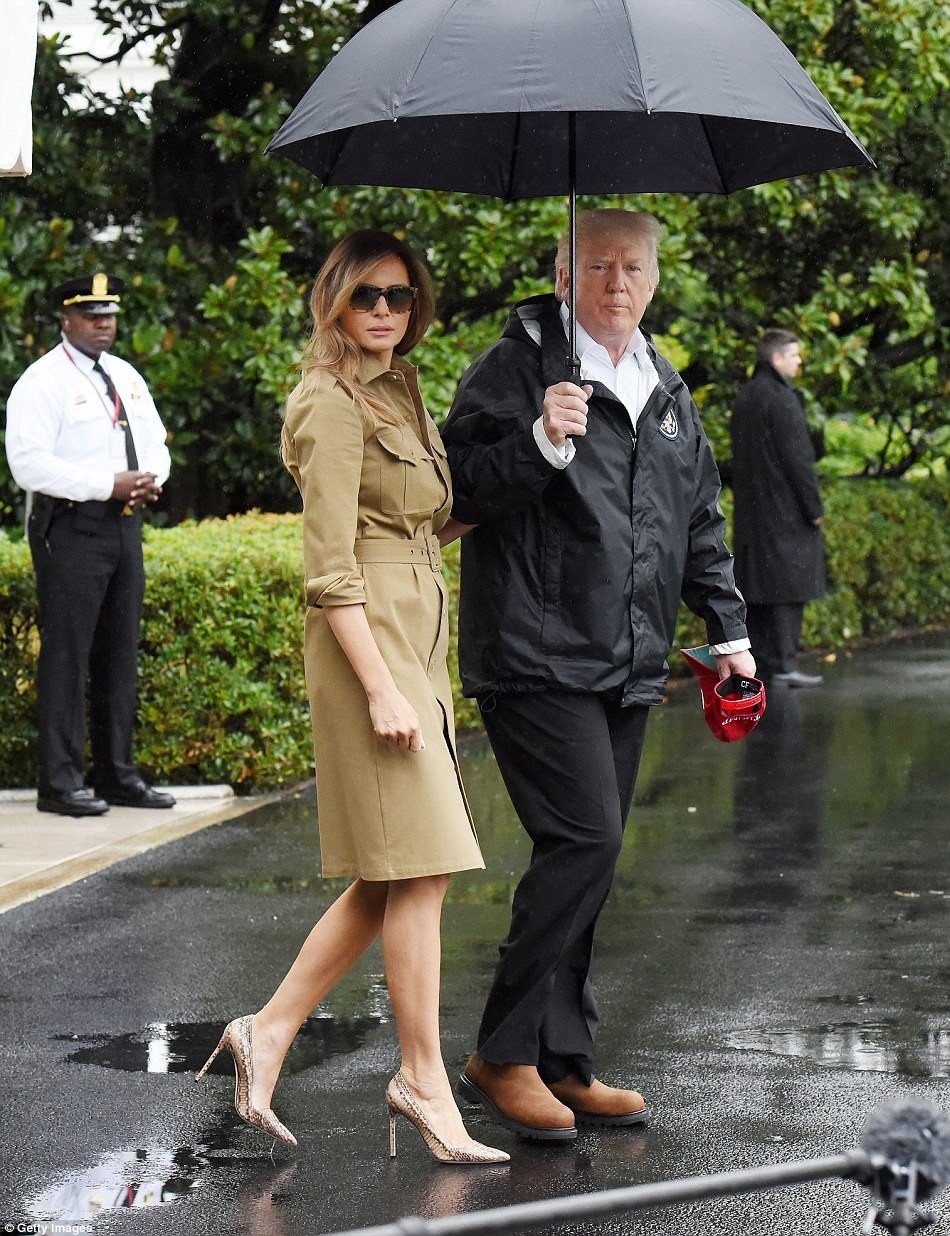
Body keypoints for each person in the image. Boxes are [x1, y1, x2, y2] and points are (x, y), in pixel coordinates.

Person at [441, 209, 755, 1141]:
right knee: (585, 839)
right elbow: (455, 489)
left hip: (627, 658)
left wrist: (730, 630)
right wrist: (540, 441)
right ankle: (502, 1053)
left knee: (595, 856)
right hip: (534, 653)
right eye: (598, 266)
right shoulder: (515, 369)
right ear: (563, 273)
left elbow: (696, 517)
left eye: (634, 267)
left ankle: (564, 1059)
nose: (618, 283)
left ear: (655, 279)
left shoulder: (665, 386)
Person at [196, 230, 508, 1166]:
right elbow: (330, 568)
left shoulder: (399, 388)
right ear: (332, 299)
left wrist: (543, 449)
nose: (383, 311)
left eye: (400, 296)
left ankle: (267, 1032)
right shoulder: (327, 402)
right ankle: (421, 1079)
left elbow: (422, 526)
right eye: (366, 294)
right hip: (367, 643)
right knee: (425, 863)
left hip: (417, 630)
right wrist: (379, 690)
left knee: (398, 870)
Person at [5, 273, 176, 818]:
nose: (103, 324)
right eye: (91, 315)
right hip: (72, 526)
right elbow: (28, 464)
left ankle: (117, 775)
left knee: (118, 652)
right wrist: (108, 484)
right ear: (66, 318)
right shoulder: (42, 381)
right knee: (67, 655)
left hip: (124, 524)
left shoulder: (125, 375)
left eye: (110, 315)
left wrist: (151, 478)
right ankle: (60, 784)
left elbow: (154, 439)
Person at [731, 329, 826, 688]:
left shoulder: (746, 397)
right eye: (795, 355)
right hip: (785, 511)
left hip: (753, 510)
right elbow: (798, 460)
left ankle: (760, 664)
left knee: (757, 589)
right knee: (788, 587)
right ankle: (784, 663)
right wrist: (813, 507)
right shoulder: (782, 399)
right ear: (777, 358)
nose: (799, 362)